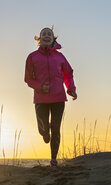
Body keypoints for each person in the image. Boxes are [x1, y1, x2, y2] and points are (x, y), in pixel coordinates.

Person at [24, 27, 77, 167]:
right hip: (41, 99)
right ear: (39, 39)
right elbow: (28, 79)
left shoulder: (60, 57)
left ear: (53, 38)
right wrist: (40, 86)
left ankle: (53, 159)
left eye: (49, 34)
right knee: (43, 128)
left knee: (56, 128)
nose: (46, 35)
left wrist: (71, 89)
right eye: (44, 34)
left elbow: (68, 73)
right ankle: (44, 134)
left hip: (58, 98)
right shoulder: (32, 57)